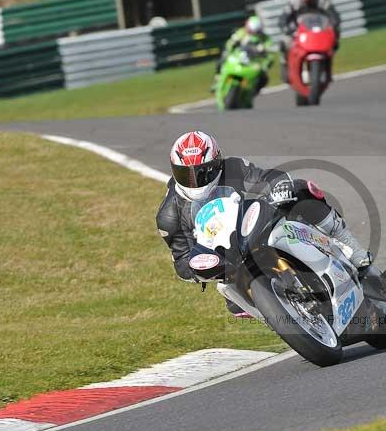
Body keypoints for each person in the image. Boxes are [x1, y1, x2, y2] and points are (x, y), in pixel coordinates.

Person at [156, 131, 372, 317]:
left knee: (301, 189)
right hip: (227, 261)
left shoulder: (232, 167)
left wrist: (279, 187)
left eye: (202, 172)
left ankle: (353, 250)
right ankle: (287, 318)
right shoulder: (169, 216)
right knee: (233, 303)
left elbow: (267, 178)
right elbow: (182, 261)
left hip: (252, 224)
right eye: (185, 174)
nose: (194, 181)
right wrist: (200, 267)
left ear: (217, 163)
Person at [277, 0, 342, 82]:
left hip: (319, 30)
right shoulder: (293, 1)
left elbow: (333, 14)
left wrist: (334, 25)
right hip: (299, 31)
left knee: (334, 40)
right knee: (285, 42)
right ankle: (285, 64)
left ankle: (327, 68)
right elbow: (283, 18)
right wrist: (286, 28)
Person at [211, 15, 275, 93]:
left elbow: (269, 49)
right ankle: (217, 81)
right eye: (251, 31)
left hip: (254, 61)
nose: (253, 34)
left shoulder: (265, 38)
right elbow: (230, 43)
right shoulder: (241, 32)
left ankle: (251, 91)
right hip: (239, 55)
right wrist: (231, 47)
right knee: (221, 61)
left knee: (264, 78)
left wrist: (264, 52)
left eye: (256, 32)